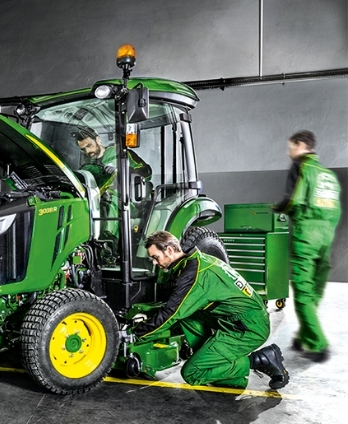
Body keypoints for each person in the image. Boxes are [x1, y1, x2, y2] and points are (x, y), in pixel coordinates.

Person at [132, 230, 289, 390]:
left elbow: (171, 313)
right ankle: (228, 372)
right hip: (237, 318)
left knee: (193, 373)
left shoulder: (193, 275)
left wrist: (136, 334)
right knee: (187, 314)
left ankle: (260, 359)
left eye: (155, 257)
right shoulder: (196, 261)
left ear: (170, 251)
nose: (153, 262)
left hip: (248, 328)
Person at [273, 130, 341, 363]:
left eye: (291, 146)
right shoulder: (327, 174)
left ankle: (318, 344)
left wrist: (275, 210)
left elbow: (292, 200)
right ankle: (305, 335)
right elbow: (335, 207)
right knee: (315, 290)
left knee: (302, 292)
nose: (288, 151)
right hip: (327, 236)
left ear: (301, 145)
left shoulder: (301, 167)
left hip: (307, 237)